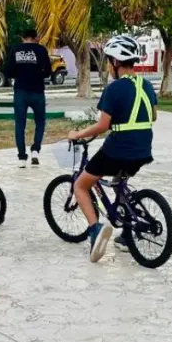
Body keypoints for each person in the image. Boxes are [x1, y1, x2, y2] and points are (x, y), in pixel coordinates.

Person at [66, 34, 158, 263]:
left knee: (81, 185)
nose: (107, 65)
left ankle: (95, 229)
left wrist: (77, 134)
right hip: (143, 149)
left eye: (108, 61)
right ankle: (127, 234)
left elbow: (102, 125)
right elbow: (153, 116)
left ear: (115, 63)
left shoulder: (114, 89)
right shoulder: (146, 85)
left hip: (118, 149)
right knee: (120, 185)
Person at [3, 28, 51, 168]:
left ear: (22, 37)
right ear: (36, 38)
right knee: (40, 122)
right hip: (37, 91)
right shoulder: (41, 50)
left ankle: (22, 158)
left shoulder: (15, 49)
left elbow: (8, 71)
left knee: (19, 125)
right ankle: (35, 150)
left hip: (20, 92)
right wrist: (37, 75)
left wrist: (20, 74)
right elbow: (48, 71)